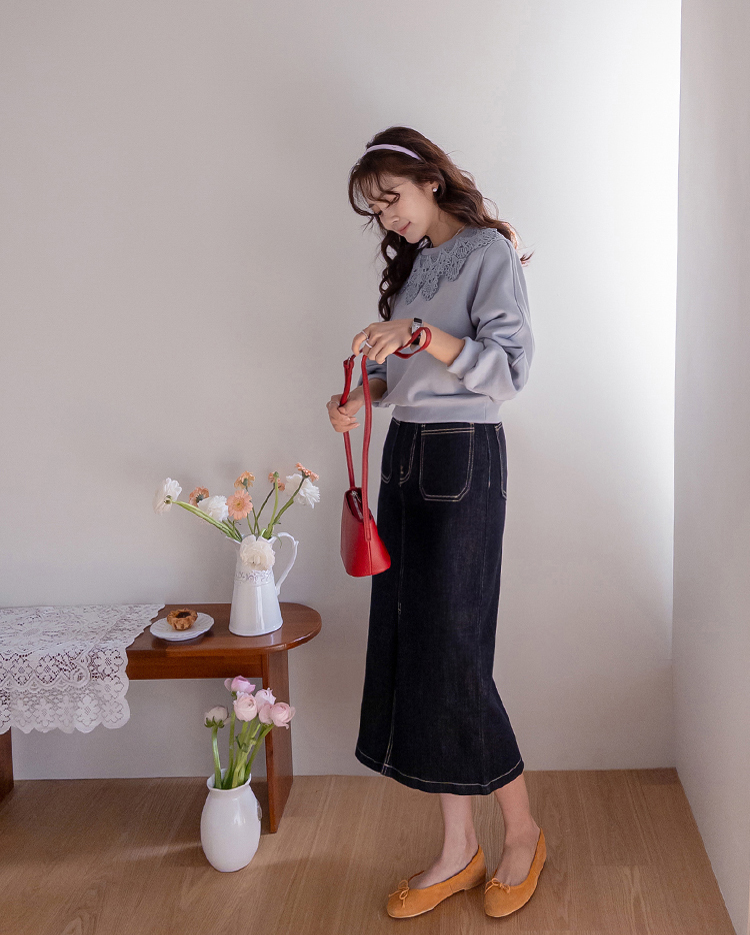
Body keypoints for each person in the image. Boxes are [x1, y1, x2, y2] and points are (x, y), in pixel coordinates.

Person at [326, 126, 546, 920]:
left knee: (456, 652)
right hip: (407, 456)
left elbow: (507, 371)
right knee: (420, 649)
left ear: (430, 181)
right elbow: (409, 374)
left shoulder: (489, 252)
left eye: (392, 198)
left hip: (463, 458)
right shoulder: (419, 266)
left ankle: (521, 832)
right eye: (376, 210)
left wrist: (418, 334)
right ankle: (459, 849)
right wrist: (364, 394)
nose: (388, 218)